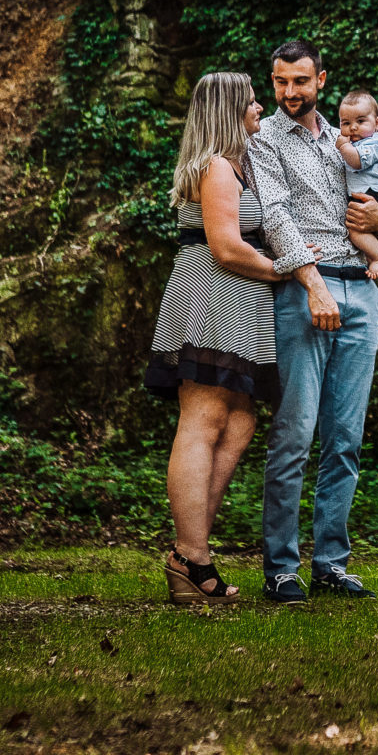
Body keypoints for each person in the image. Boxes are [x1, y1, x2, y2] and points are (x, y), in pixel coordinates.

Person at [243, 39, 378, 604]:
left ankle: (332, 562)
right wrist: (311, 285)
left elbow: (377, 202)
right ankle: (281, 568)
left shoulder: (349, 137)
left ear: (321, 81)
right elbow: (274, 216)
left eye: (300, 82)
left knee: (345, 440)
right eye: (281, 82)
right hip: (304, 291)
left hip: (363, 288)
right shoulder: (263, 141)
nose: (290, 93)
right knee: (294, 434)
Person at [144, 72, 281, 605]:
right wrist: (293, 270)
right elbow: (225, 248)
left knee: (240, 421)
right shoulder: (217, 167)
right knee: (202, 420)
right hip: (211, 298)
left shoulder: (239, 165)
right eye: (251, 102)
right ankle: (190, 556)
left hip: (242, 308)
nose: (259, 109)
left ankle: (193, 550)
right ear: (228, 109)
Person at [333, 91, 378, 280]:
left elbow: (357, 162)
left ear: (377, 123)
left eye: (361, 121)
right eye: (346, 123)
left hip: (375, 196)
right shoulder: (354, 143)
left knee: (355, 230)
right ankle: (374, 255)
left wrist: (344, 147)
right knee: (355, 229)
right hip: (363, 195)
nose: (353, 128)